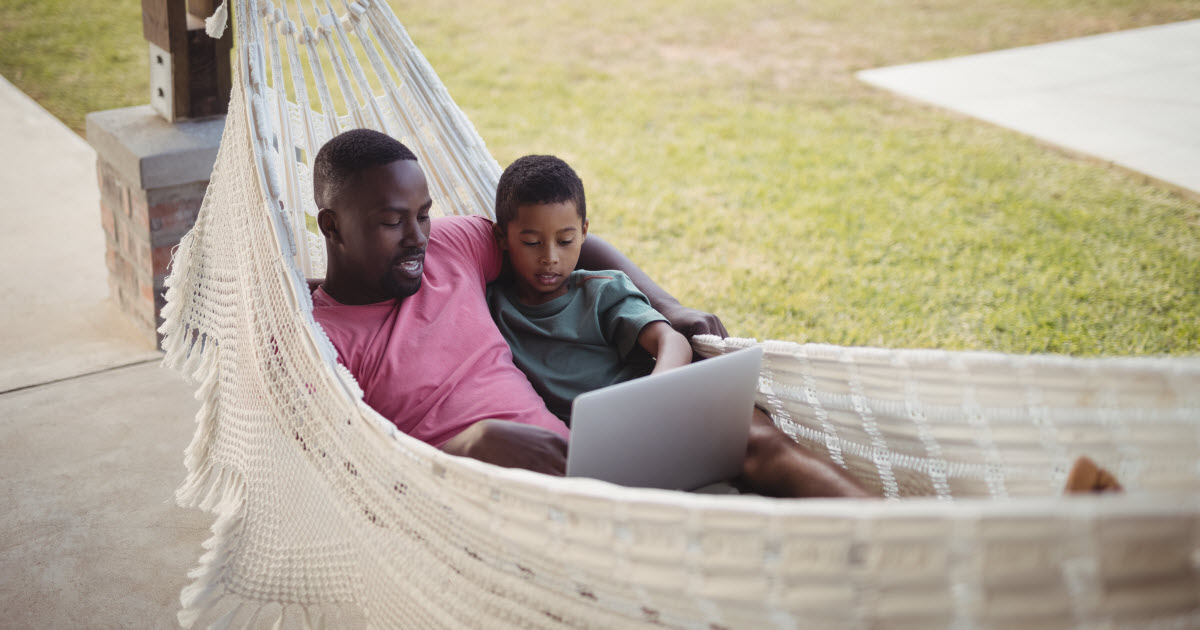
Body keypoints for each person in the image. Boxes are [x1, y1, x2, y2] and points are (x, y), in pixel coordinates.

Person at [311, 128, 867, 497]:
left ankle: (910, 543)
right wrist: (472, 447)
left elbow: (558, 241)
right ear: (332, 227)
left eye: (424, 215)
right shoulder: (317, 340)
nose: (417, 238)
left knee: (750, 432)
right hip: (476, 498)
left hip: (584, 463)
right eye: (392, 222)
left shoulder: (451, 247)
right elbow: (358, 475)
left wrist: (665, 305)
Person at [486, 155, 692, 424]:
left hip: (651, 411)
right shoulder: (493, 309)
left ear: (584, 232)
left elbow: (672, 341)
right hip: (586, 442)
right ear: (502, 237)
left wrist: (654, 394)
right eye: (532, 242)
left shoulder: (600, 292)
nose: (550, 257)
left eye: (565, 240)